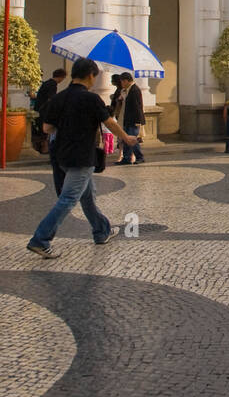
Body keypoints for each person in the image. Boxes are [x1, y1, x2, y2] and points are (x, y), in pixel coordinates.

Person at [25, 57, 139, 260]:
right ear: (90, 76)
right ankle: (41, 240)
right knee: (69, 198)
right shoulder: (91, 99)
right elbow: (109, 122)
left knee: (88, 196)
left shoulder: (59, 98)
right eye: (95, 76)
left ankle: (101, 231)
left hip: (61, 154)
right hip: (82, 156)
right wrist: (126, 137)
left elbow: (47, 128)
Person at [116, 72, 145, 165]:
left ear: (126, 81)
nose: (121, 84)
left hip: (134, 120)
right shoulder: (127, 90)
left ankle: (140, 157)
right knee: (126, 139)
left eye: (122, 82)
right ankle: (127, 158)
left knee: (132, 139)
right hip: (127, 119)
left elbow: (137, 107)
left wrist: (138, 121)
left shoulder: (134, 90)